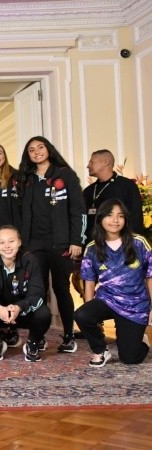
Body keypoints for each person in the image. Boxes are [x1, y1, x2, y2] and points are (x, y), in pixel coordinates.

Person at [18, 136, 86, 353]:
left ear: (49, 149)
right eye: (31, 149)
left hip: (61, 243)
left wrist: (77, 240)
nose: (36, 151)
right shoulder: (26, 179)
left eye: (40, 147)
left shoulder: (64, 174)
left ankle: (68, 336)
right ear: (27, 155)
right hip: (33, 244)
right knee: (37, 291)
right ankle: (38, 337)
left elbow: (78, 210)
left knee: (61, 288)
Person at [76, 199, 152, 367]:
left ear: (125, 220)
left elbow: (150, 277)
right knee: (82, 314)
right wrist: (90, 313)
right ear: (101, 218)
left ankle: (142, 341)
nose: (115, 220)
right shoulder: (92, 248)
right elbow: (89, 282)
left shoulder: (139, 242)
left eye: (120, 216)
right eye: (109, 215)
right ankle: (100, 351)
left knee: (130, 358)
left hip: (135, 305)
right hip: (107, 300)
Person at [0, 226, 52, 363]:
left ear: (19, 242)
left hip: (22, 311)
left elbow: (37, 293)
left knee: (44, 314)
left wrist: (18, 307)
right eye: (1, 242)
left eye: (11, 241)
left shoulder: (30, 260)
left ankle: (33, 342)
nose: (7, 246)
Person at [83, 149, 143, 240]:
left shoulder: (127, 186)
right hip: (94, 245)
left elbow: (136, 217)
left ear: (105, 162)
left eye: (92, 162)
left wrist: (132, 243)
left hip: (122, 244)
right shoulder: (88, 191)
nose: (88, 166)